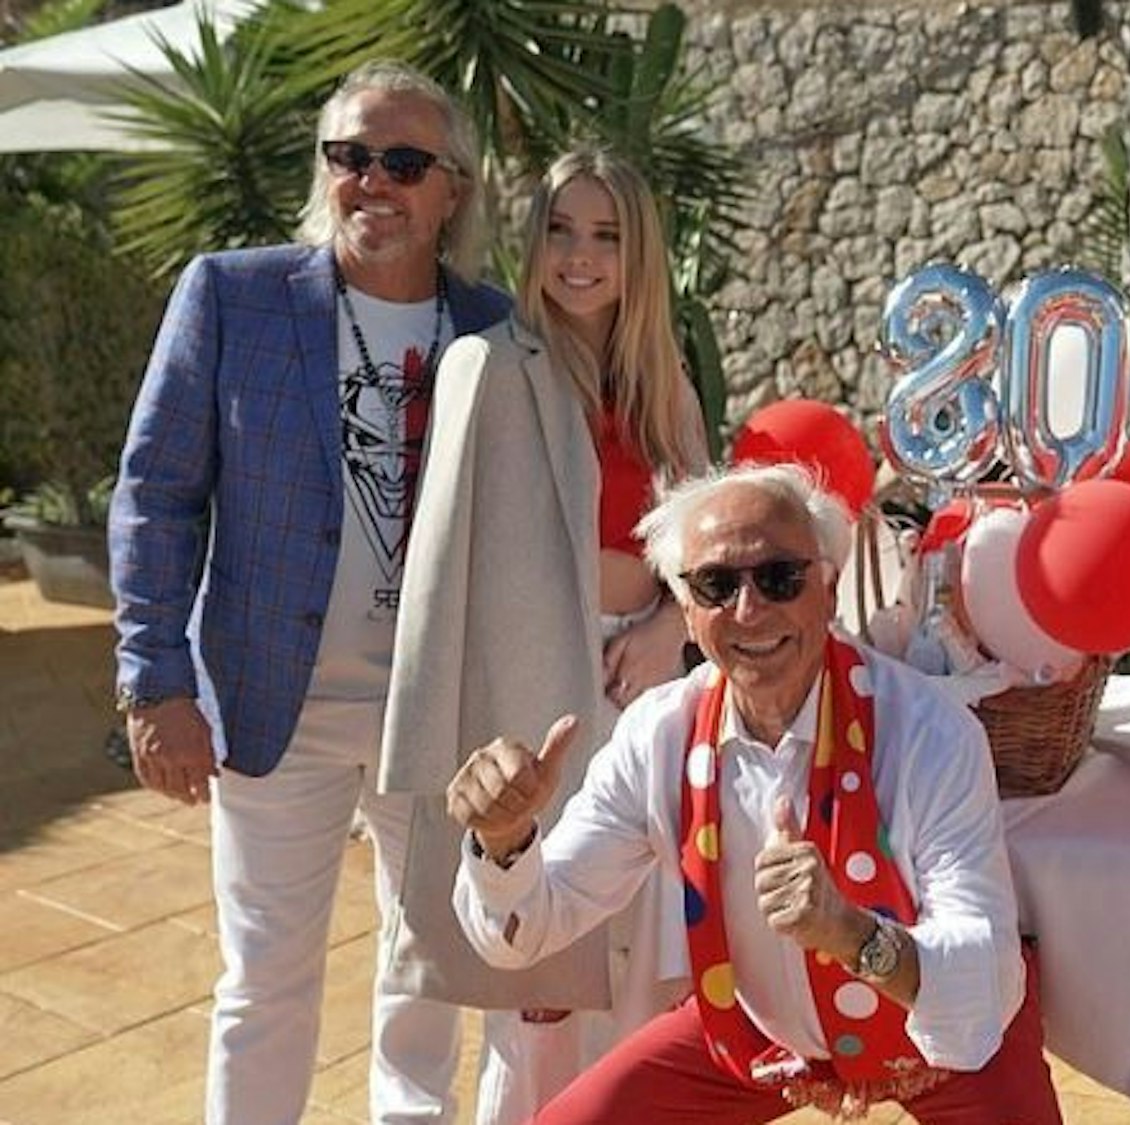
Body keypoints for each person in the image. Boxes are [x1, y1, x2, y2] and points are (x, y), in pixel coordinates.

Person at [107, 60, 508, 1124]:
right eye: (350, 156)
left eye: (404, 161)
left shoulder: (496, 330)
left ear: (450, 190)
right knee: (264, 981)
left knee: (427, 975)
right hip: (268, 701)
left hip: (433, 715)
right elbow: (156, 493)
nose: (373, 181)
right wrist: (154, 682)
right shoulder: (234, 294)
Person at [444, 463, 1063, 1124]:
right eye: (716, 584)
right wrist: (504, 841)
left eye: (778, 577)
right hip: (760, 1033)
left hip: (942, 1034)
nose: (748, 609)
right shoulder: (659, 736)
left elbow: (985, 972)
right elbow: (533, 923)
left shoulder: (930, 732)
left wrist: (852, 934)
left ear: (827, 588)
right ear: (685, 609)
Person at [376, 147, 711, 1123]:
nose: (579, 255)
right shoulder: (487, 366)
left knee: (640, 983)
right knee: (536, 1000)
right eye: (561, 229)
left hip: (647, 693)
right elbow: (439, 573)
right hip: (535, 702)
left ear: (637, 253)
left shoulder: (665, 389)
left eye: (605, 235)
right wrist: (427, 759)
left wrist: (665, 630)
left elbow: (705, 552)